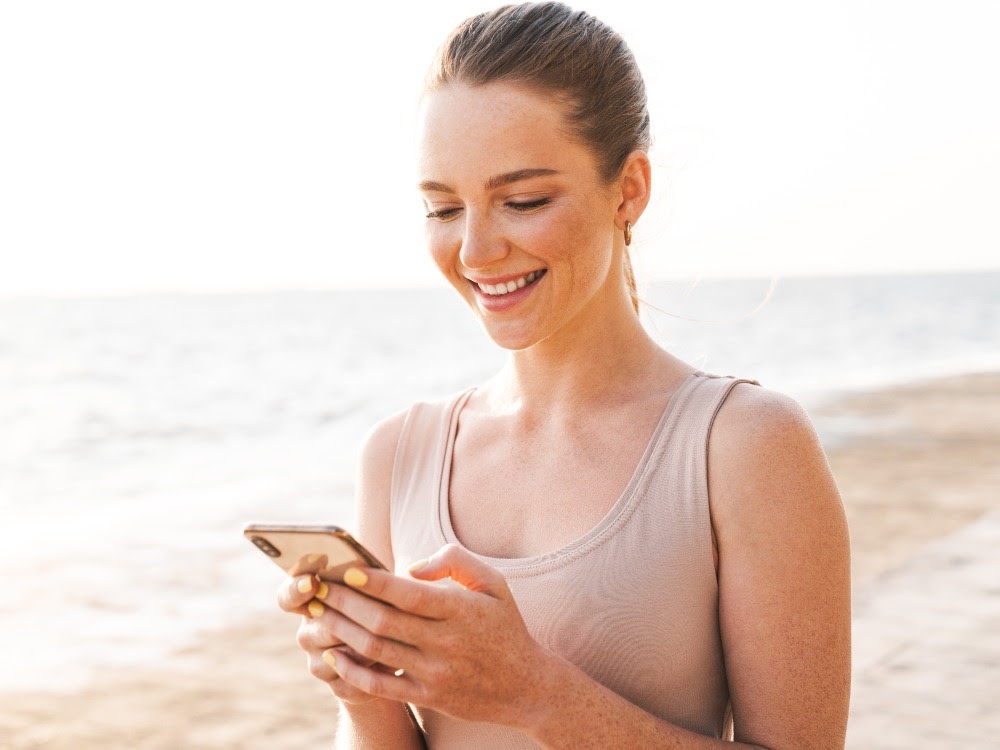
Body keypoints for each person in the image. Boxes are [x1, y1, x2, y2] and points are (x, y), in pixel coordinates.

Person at [277, 2, 852, 747]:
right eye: (442, 207)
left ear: (629, 189)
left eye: (523, 201)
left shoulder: (743, 445)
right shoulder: (397, 456)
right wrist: (360, 692)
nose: (477, 250)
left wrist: (536, 694)